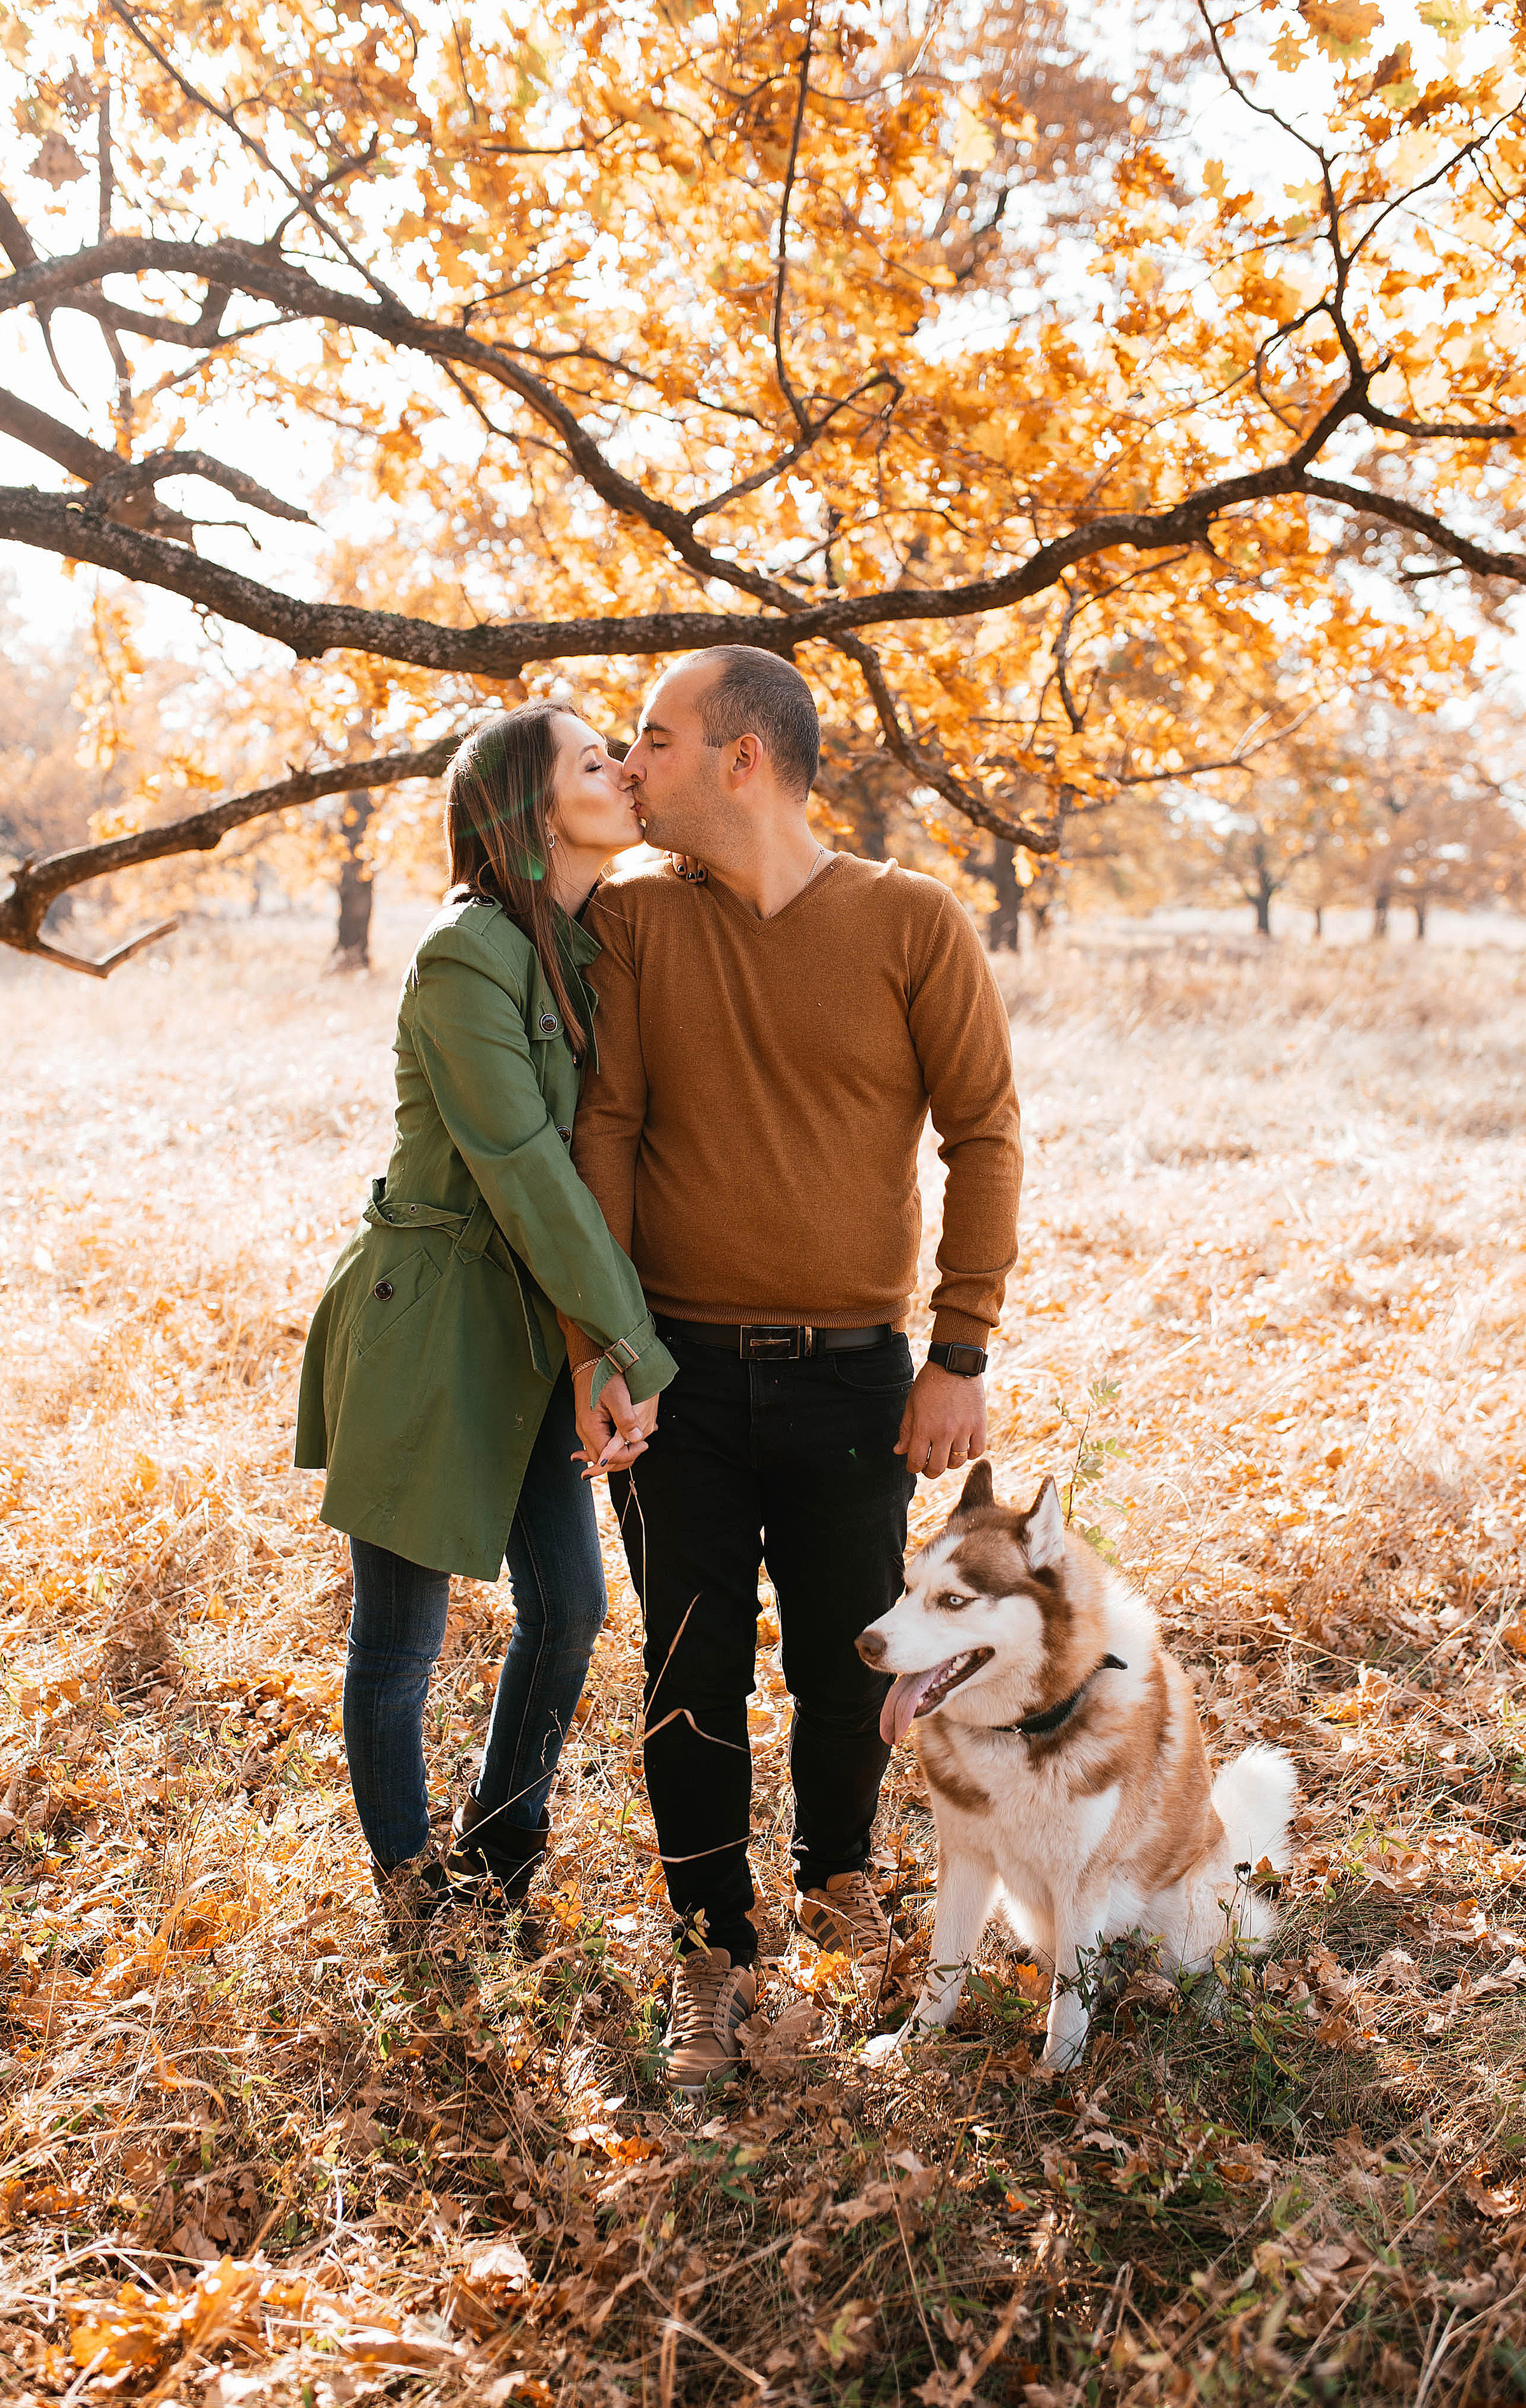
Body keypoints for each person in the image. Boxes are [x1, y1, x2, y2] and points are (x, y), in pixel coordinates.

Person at [565, 647, 1023, 2090]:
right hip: (676, 1381)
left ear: (741, 759)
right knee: (686, 1667)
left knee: (851, 1665)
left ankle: (838, 1900)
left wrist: (955, 1352)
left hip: (853, 1380)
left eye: (654, 738)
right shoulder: (636, 922)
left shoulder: (909, 922)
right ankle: (710, 1956)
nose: (629, 766)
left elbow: (985, 1135)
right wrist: (604, 1352)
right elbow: (608, 1134)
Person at [295, 706, 676, 1948]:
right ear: (525, 810)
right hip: (431, 1320)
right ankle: (414, 1898)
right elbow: (521, 1167)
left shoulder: (573, 946)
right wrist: (630, 1349)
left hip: (527, 1322)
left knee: (568, 1607)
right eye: (590, 762)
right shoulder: (466, 952)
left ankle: (500, 1856)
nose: (620, 772)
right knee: (402, 1632)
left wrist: (589, 1342)